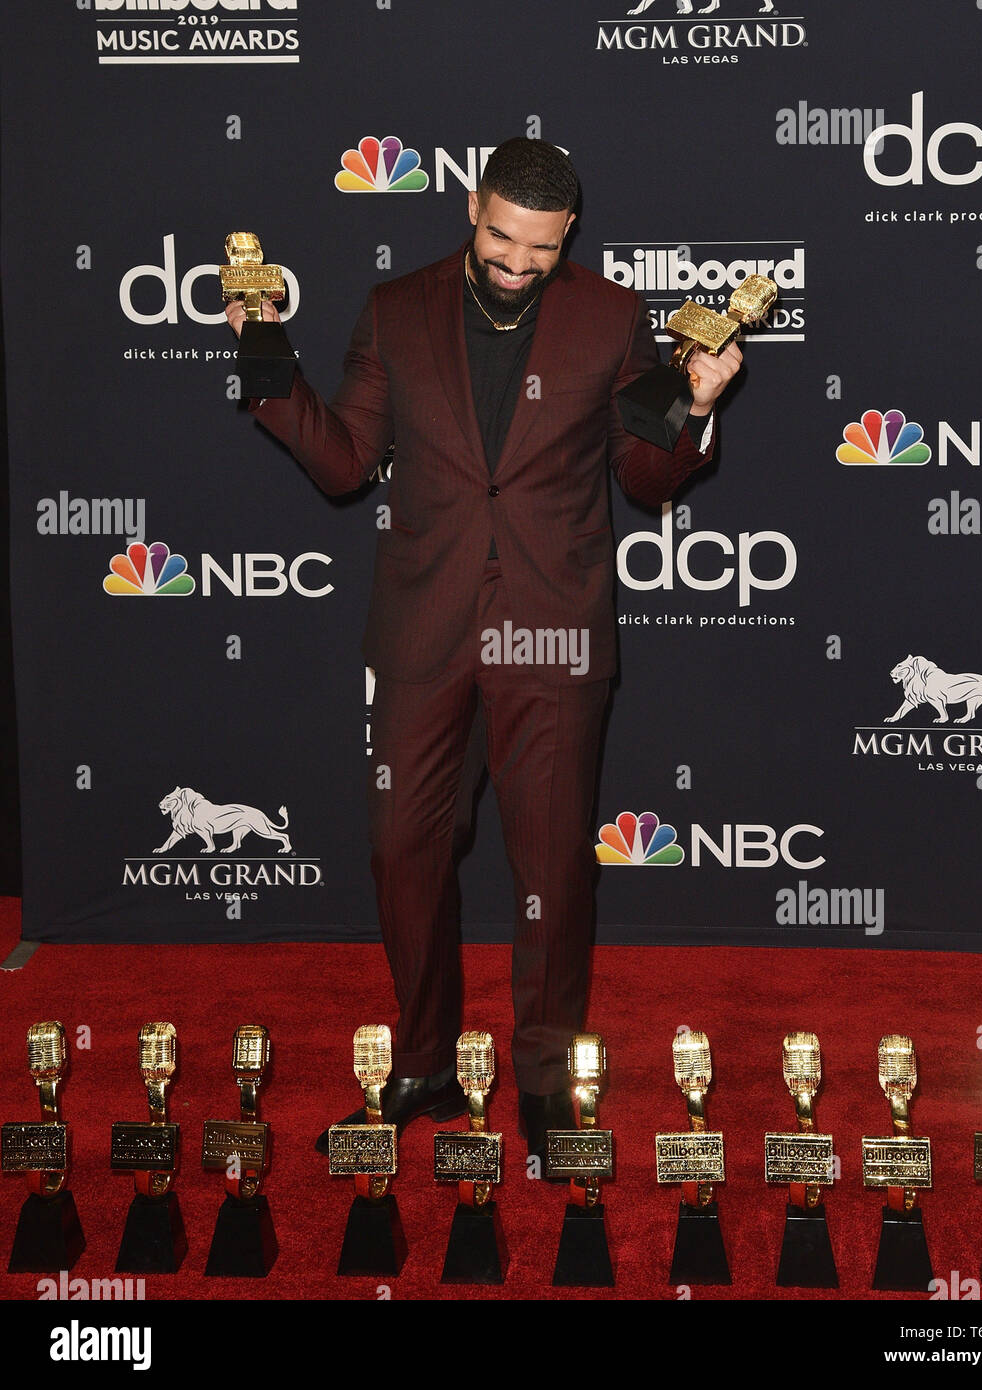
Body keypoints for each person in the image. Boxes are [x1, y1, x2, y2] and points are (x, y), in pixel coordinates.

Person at [226, 137, 742, 1169]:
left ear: (569, 238)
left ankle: (548, 1083)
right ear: (471, 206)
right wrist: (264, 359)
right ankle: (418, 1060)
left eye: (540, 248)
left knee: (552, 866)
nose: (516, 262)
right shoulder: (395, 308)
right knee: (399, 848)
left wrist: (698, 403)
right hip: (424, 634)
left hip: (552, 632)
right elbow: (341, 464)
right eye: (501, 237)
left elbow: (644, 477)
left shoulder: (608, 317)